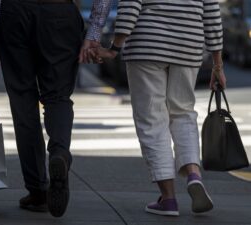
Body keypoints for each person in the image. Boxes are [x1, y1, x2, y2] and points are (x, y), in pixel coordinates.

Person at [82, 0, 226, 216]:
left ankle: (168, 199)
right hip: (188, 46)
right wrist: (217, 64)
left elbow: (131, 5)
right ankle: (194, 174)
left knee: (152, 118)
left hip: (146, 44)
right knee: (183, 112)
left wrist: (115, 47)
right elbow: (212, 13)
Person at [0, 0, 84, 218]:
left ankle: (38, 190)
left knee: (23, 101)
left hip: (15, 13)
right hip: (60, 12)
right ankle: (59, 153)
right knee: (58, 96)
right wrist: (95, 33)